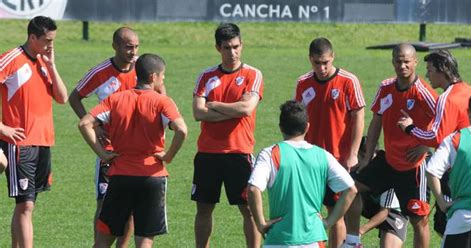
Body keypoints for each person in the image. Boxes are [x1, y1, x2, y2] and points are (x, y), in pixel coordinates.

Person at [78, 53, 187, 248]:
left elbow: (84, 124)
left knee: (103, 240)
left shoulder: (115, 99)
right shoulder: (163, 102)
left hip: (120, 175)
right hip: (152, 175)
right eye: (163, 76)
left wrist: (102, 154)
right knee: (144, 239)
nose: (163, 80)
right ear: (153, 77)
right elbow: (182, 130)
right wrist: (168, 156)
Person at [70, 27, 164, 247]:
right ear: (115, 46)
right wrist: (95, 126)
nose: (133, 52)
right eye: (128, 47)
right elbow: (75, 97)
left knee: (131, 208)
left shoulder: (143, 67)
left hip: (140, 151)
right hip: (111, 151)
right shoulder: (100, 72)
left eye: (136, 47)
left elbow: (161, 94)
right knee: (104, 203)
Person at [344, 43, 438, 248]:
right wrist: (368, 157)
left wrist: (424, 147)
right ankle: (352, 242)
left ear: (415, 62)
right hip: (388, 160)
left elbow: (442, 122)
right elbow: (376, 122)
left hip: (414, 166)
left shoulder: (424, 92)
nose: (402, 65)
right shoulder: (386, 87)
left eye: (406, 61)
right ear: (393, 62)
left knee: (418, 219)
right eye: (398, 61)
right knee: (350, 188)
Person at [191, 22, 263, 248]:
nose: (232, 52)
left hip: (239, 153)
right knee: (203, 208)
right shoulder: (206, 76)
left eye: (235, 46)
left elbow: (246, 109)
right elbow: (197, 113)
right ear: (217, 48)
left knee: (249, 210)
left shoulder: (253, 74)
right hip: (207, 153)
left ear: (242, 45)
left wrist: (215, 105)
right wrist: (233, 110)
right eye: (226, 48)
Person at [248, 100, 357, 247]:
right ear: (307, 127)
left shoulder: (270, 154)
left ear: (281, 127)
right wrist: (328, 222)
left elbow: (253, 188)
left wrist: (260, 224)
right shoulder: (322, 155)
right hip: (313, 239)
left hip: (279, 238)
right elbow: (351, 189)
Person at [0, 16, 68, 248]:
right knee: (25, 204)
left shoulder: (44, 63)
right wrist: (2, 127)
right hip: (20, 143)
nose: (51, 45)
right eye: (47, 40)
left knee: (27, 205)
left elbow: (62, 98)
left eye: (53, 41)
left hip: (44, 142)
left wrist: (52, 65)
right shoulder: (11, 59)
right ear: (32, 37)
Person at [294, 37, 365, 248]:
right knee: (309, 210)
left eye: (326, 62)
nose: (322, 67)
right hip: (311, 159)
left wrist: (353, 153)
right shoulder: (303, 83)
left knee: (335, 213)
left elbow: (358, 116)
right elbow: (297, 119)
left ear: (333, 57)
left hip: (338, 159)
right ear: (310, 60)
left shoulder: (348, 81)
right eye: (317, 63)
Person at [397, 49, 471, 237]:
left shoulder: (446, 98)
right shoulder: (469, 90)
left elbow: (436, 137)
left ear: (442, 70)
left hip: (452, 169)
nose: (427, 75)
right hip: (468, 165)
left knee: (445, 222)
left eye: (430, 69)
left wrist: (410, 128)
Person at [425, 94, 471, 248]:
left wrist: (441, 202)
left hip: (462, 218)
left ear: (468, 112)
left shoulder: (456, 139)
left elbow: (431, 170)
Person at [356, 137, 408, 248]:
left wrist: (360, 231)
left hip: (391, 214)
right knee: (348, 198)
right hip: (369, 208)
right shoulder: (355, 171)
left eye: (370, 157)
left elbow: (384, 213)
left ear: (376, 154)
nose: (367, 161)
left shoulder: (385, 174)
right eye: (362, 156)